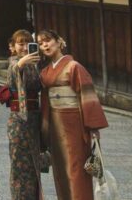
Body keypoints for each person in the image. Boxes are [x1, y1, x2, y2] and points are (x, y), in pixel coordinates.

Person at [38, 29, 109, 200]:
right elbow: (45, 102)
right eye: (40, 43)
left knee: (76, 172)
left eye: (47, 40)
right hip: (56, 126)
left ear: (58, 41)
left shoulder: (74, 67)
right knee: (61, 171)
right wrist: (44, 131)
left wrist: (92, 127)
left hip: (75, 126)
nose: (44, 45)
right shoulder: (45, 72)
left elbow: (87, 95)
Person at [2, 29, 43, 200]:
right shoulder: (14, 62)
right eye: (20, 43)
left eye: (28, 43)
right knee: (20, 164)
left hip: (34, 119)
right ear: (12, 47)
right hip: (19, 120)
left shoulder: (35, 65)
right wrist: (21, 64)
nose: (25, 47)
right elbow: (11, 78)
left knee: (34, 164)